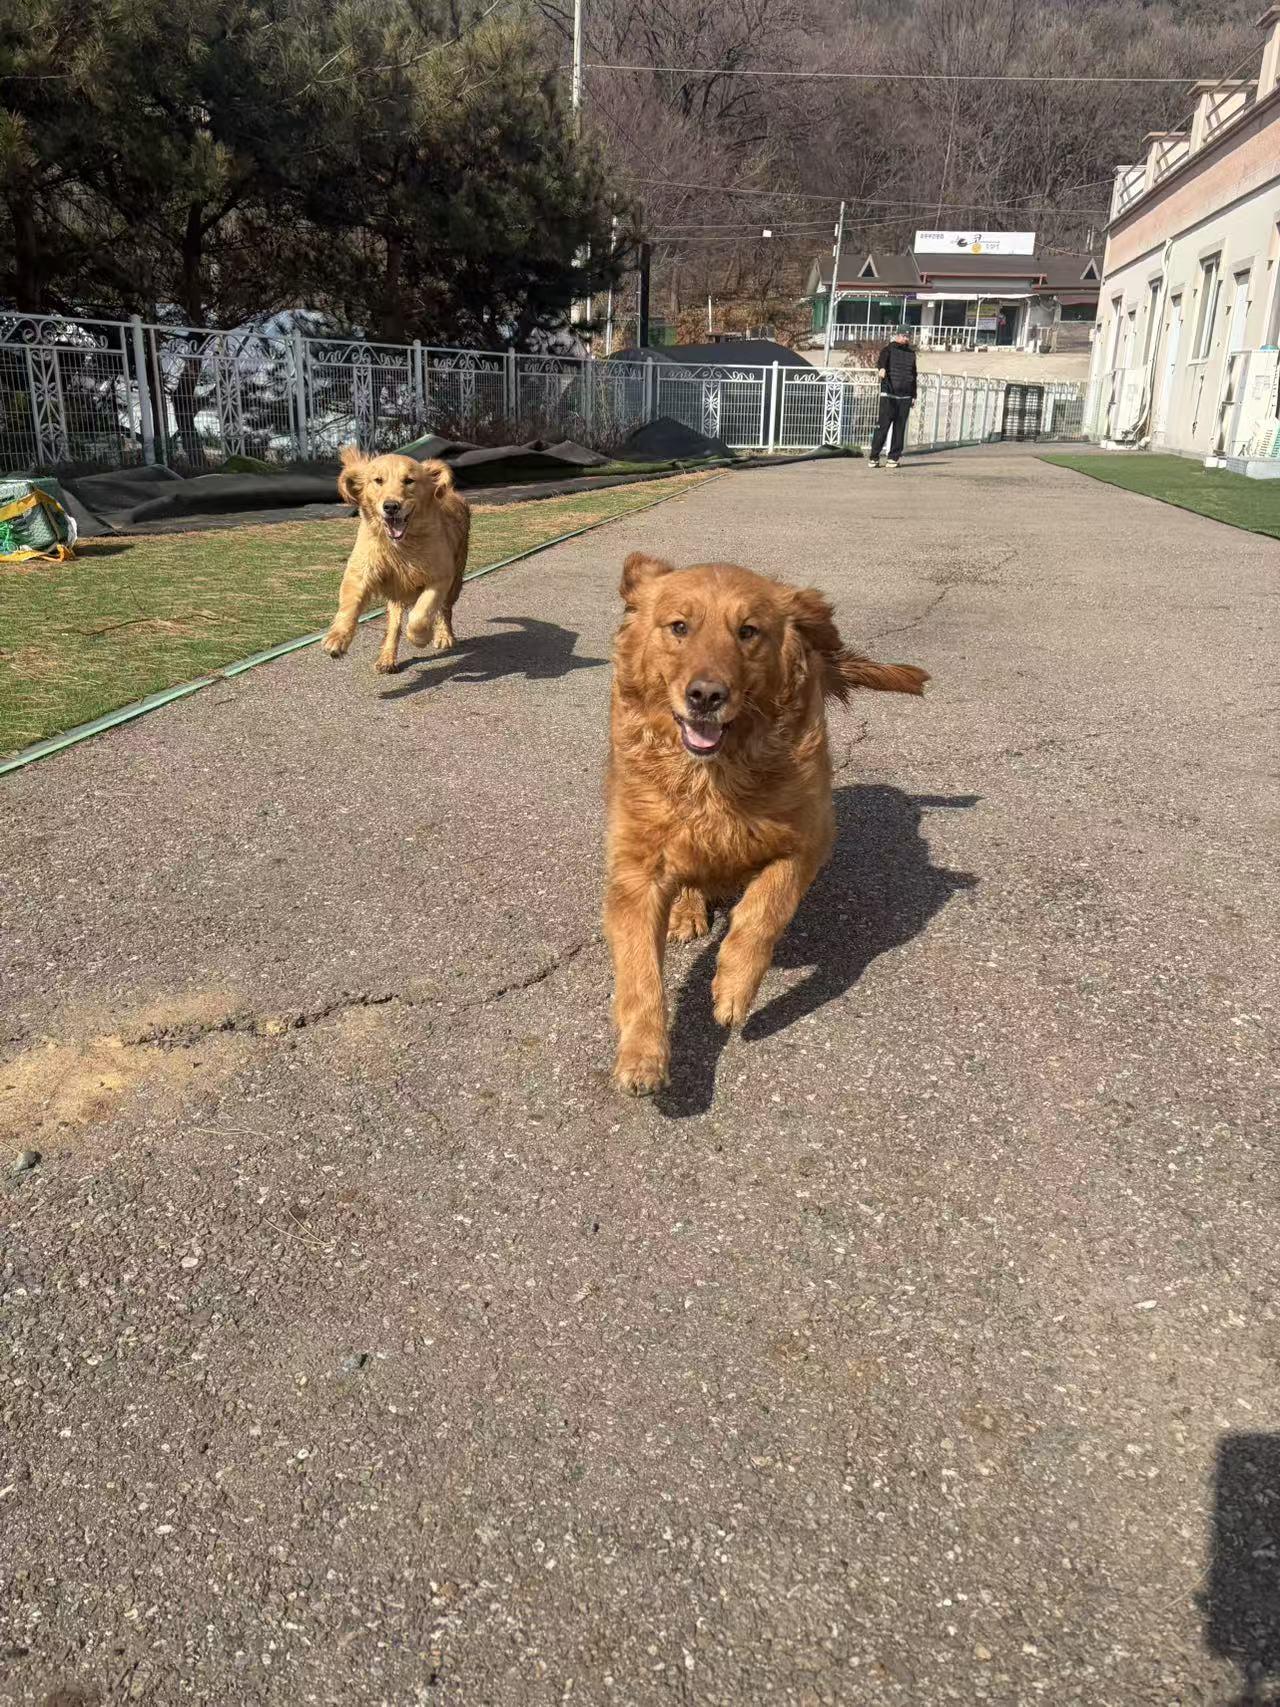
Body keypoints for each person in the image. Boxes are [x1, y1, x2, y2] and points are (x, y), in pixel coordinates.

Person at [868, 329, 917, 469]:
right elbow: (881, 362)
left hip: (905, 396)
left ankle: (893, 458)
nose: (906, 338)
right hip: (889, 394)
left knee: (899, 429)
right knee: (882, 427)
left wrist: (914, 395)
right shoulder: (888, 349)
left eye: (908, 336)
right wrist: (882, 369)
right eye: (904, 335)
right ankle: (874, 458)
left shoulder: (911, 354)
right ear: (897, 335)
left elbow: (914, 374)